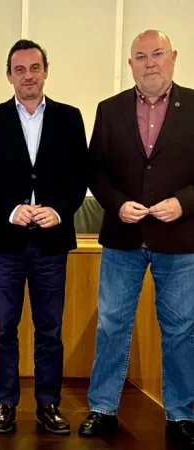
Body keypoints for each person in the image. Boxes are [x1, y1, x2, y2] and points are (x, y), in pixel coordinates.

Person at [78, 30, 194, 447]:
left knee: (180, 329)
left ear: (173, 57)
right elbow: (95, 170)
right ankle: (103, 408)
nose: (150, 63)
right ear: (130, 65)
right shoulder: (109, 109)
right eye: (141, 56)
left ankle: (181, 414)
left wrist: (183, 203)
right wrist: (116, 204)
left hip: (179, 239)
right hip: (122, 237)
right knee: (111, 325)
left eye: (157, 54)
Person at [0, 39, 87, 435]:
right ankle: (5, 404)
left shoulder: (70, 118)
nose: (28, 76)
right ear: (9, 76)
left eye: (35, 68)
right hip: (5, 242)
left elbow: (79, 176)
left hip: (52, 242)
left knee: (49, 330)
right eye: (19, 69)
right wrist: (10, 209)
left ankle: (48, 404)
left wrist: (58, 210)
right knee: (3, 328)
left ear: (45, 72)